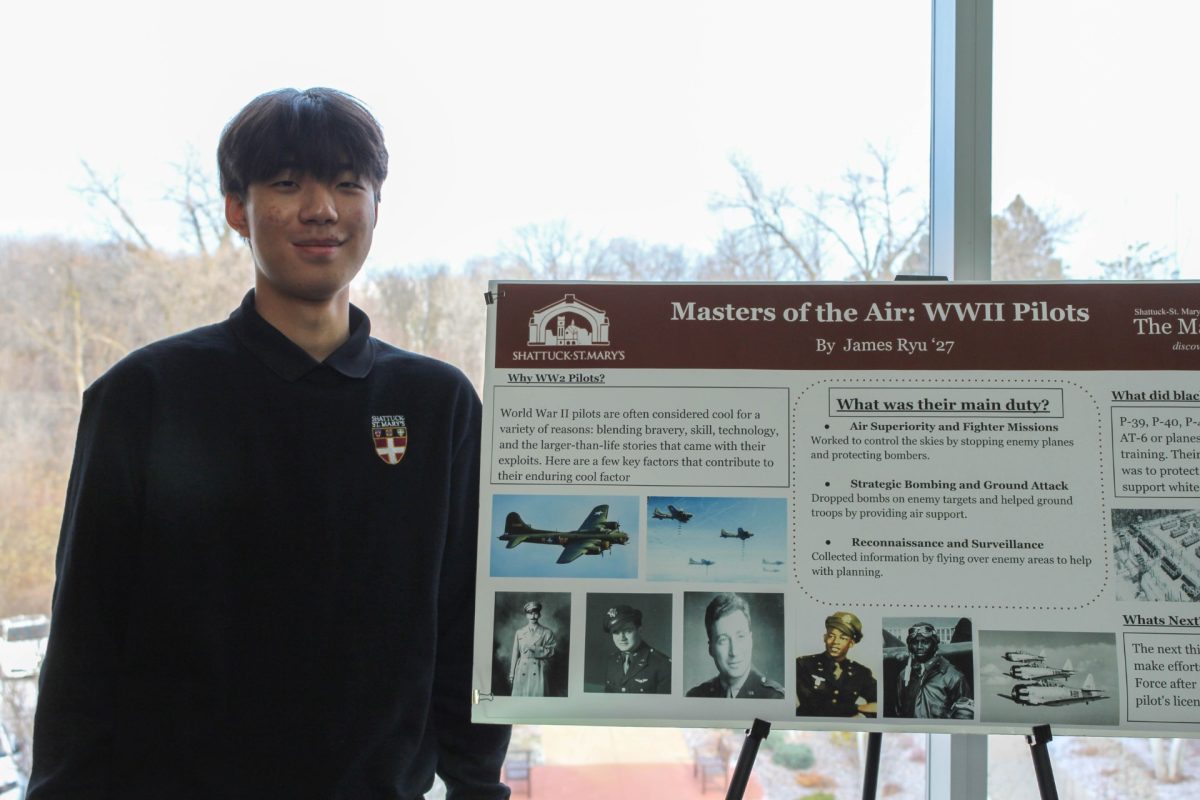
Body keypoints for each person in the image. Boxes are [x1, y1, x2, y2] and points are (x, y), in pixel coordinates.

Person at [28, 88, 510, 799]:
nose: (322, 208)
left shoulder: (437, 407)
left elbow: (471, 627)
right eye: (288, 184)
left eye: (349, 184)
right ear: (236, 208)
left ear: (376, 205)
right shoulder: (146, 396)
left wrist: (475, 786)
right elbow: (86, 641)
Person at [686, 593, 783, 699]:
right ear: (711, 649)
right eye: (723, 640)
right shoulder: (696, 696)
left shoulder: (775, 697)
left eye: (740, 636)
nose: (734, 651)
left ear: (751, 640)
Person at [795, 611, 877, 717]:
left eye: (843, 638)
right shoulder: (804, 664)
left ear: (851, 643)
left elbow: (879, 703)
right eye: (831, 636)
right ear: (824, 638)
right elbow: (812, 705)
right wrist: (856, 708)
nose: (835, 642)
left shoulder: (861, 673)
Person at [892, 622, 974, 719]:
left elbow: (965, 715)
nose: (919, 646)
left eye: (925, 642)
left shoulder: (954, 676)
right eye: (915, 642)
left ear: (934, 644)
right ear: (910, 646)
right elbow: (899, 712)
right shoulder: (904, 675)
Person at [602, 605, 671, 694]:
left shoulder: (662, 665)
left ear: (639, 630)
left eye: (627, 631)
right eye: (616, 632)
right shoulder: (612, 661)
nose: (622, 638)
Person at [509, 601, 557, 696]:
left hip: (538, 668)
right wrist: (512, 673)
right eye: (530, 613)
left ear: (539, 615)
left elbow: (551, 651)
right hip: (522, 668)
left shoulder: (547, 632)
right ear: (526, 615)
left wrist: (535, 649)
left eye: (535, 613)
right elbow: (515, 653)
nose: (533, 616)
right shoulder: (520, 632)